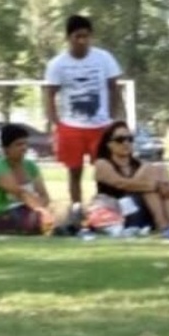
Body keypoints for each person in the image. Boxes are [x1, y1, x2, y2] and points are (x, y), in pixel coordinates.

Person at [44, 14, 123, 208]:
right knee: (74, 171)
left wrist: (115, 118)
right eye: (77, 37)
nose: (82, 41)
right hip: (72, 126)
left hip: (101, 125)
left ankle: (104, 208)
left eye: (86, 36)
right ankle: (77, 209)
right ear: (68, 38)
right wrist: (56, 122)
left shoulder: (104, 58)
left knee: (104, 171)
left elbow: (114, 88)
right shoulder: (57, 64)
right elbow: (49, 94)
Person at [91, 120, 169, 231]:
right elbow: (122, 184)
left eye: (130, 139)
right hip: (120, 213)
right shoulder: (102, 164)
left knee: (161, 169)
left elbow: (159, 185)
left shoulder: (138, 164)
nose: (126, 143)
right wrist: (156, 185)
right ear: (109, 144)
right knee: (150, 172)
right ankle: (162, 223)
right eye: (120, 140)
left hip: (143, 210)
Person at [0, 123, 55, 235]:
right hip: (0, 213)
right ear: (6, 149)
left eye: (25, 144)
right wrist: (42, 211)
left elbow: (44, 195)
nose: (24, 148)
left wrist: (43, 211)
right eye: (18, 144)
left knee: (53, 214)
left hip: (29, 208)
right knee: (32, 220)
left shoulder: (31, 166)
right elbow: (20, 194)